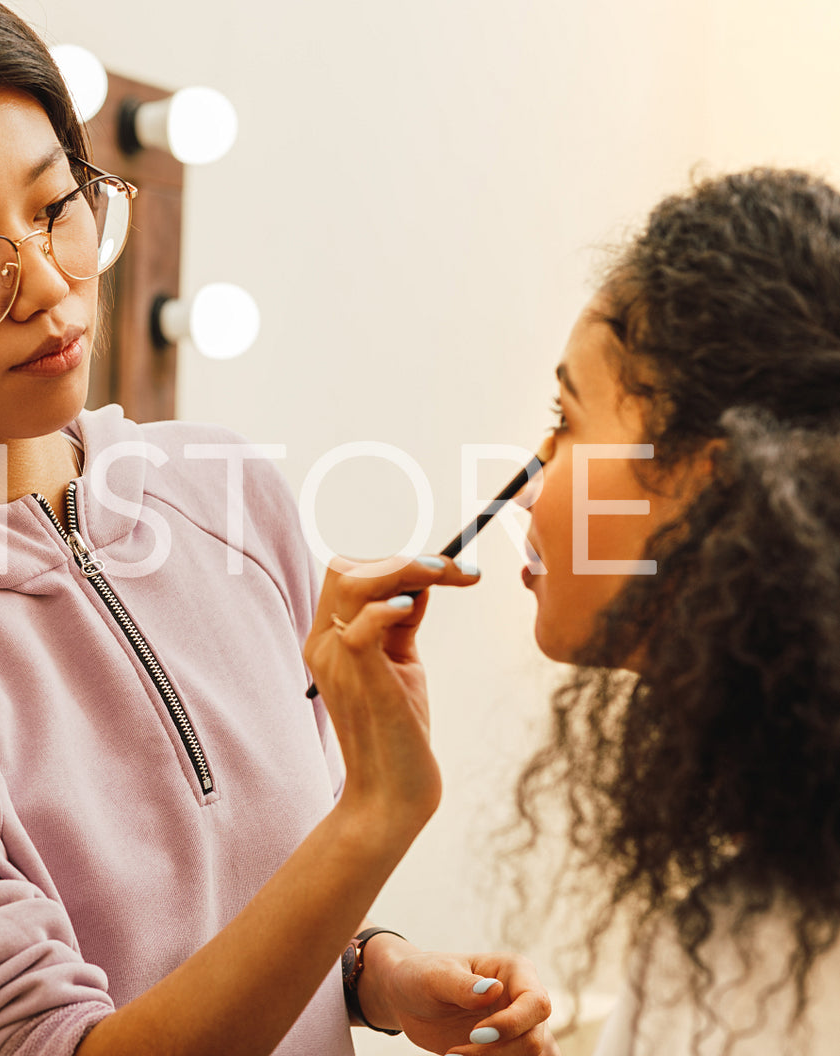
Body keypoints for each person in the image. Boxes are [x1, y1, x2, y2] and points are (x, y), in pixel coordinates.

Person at [0, 1, 558, 1054]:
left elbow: (230, 902)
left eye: (57, 206)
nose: (46, 285)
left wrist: (371, 972)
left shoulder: (222, 492)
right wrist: (372, 821)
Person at [341, 168, 840, 1055]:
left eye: (564, 419)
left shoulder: (760, 963)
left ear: (707, 481)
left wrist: (376, 807)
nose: (527, 489)